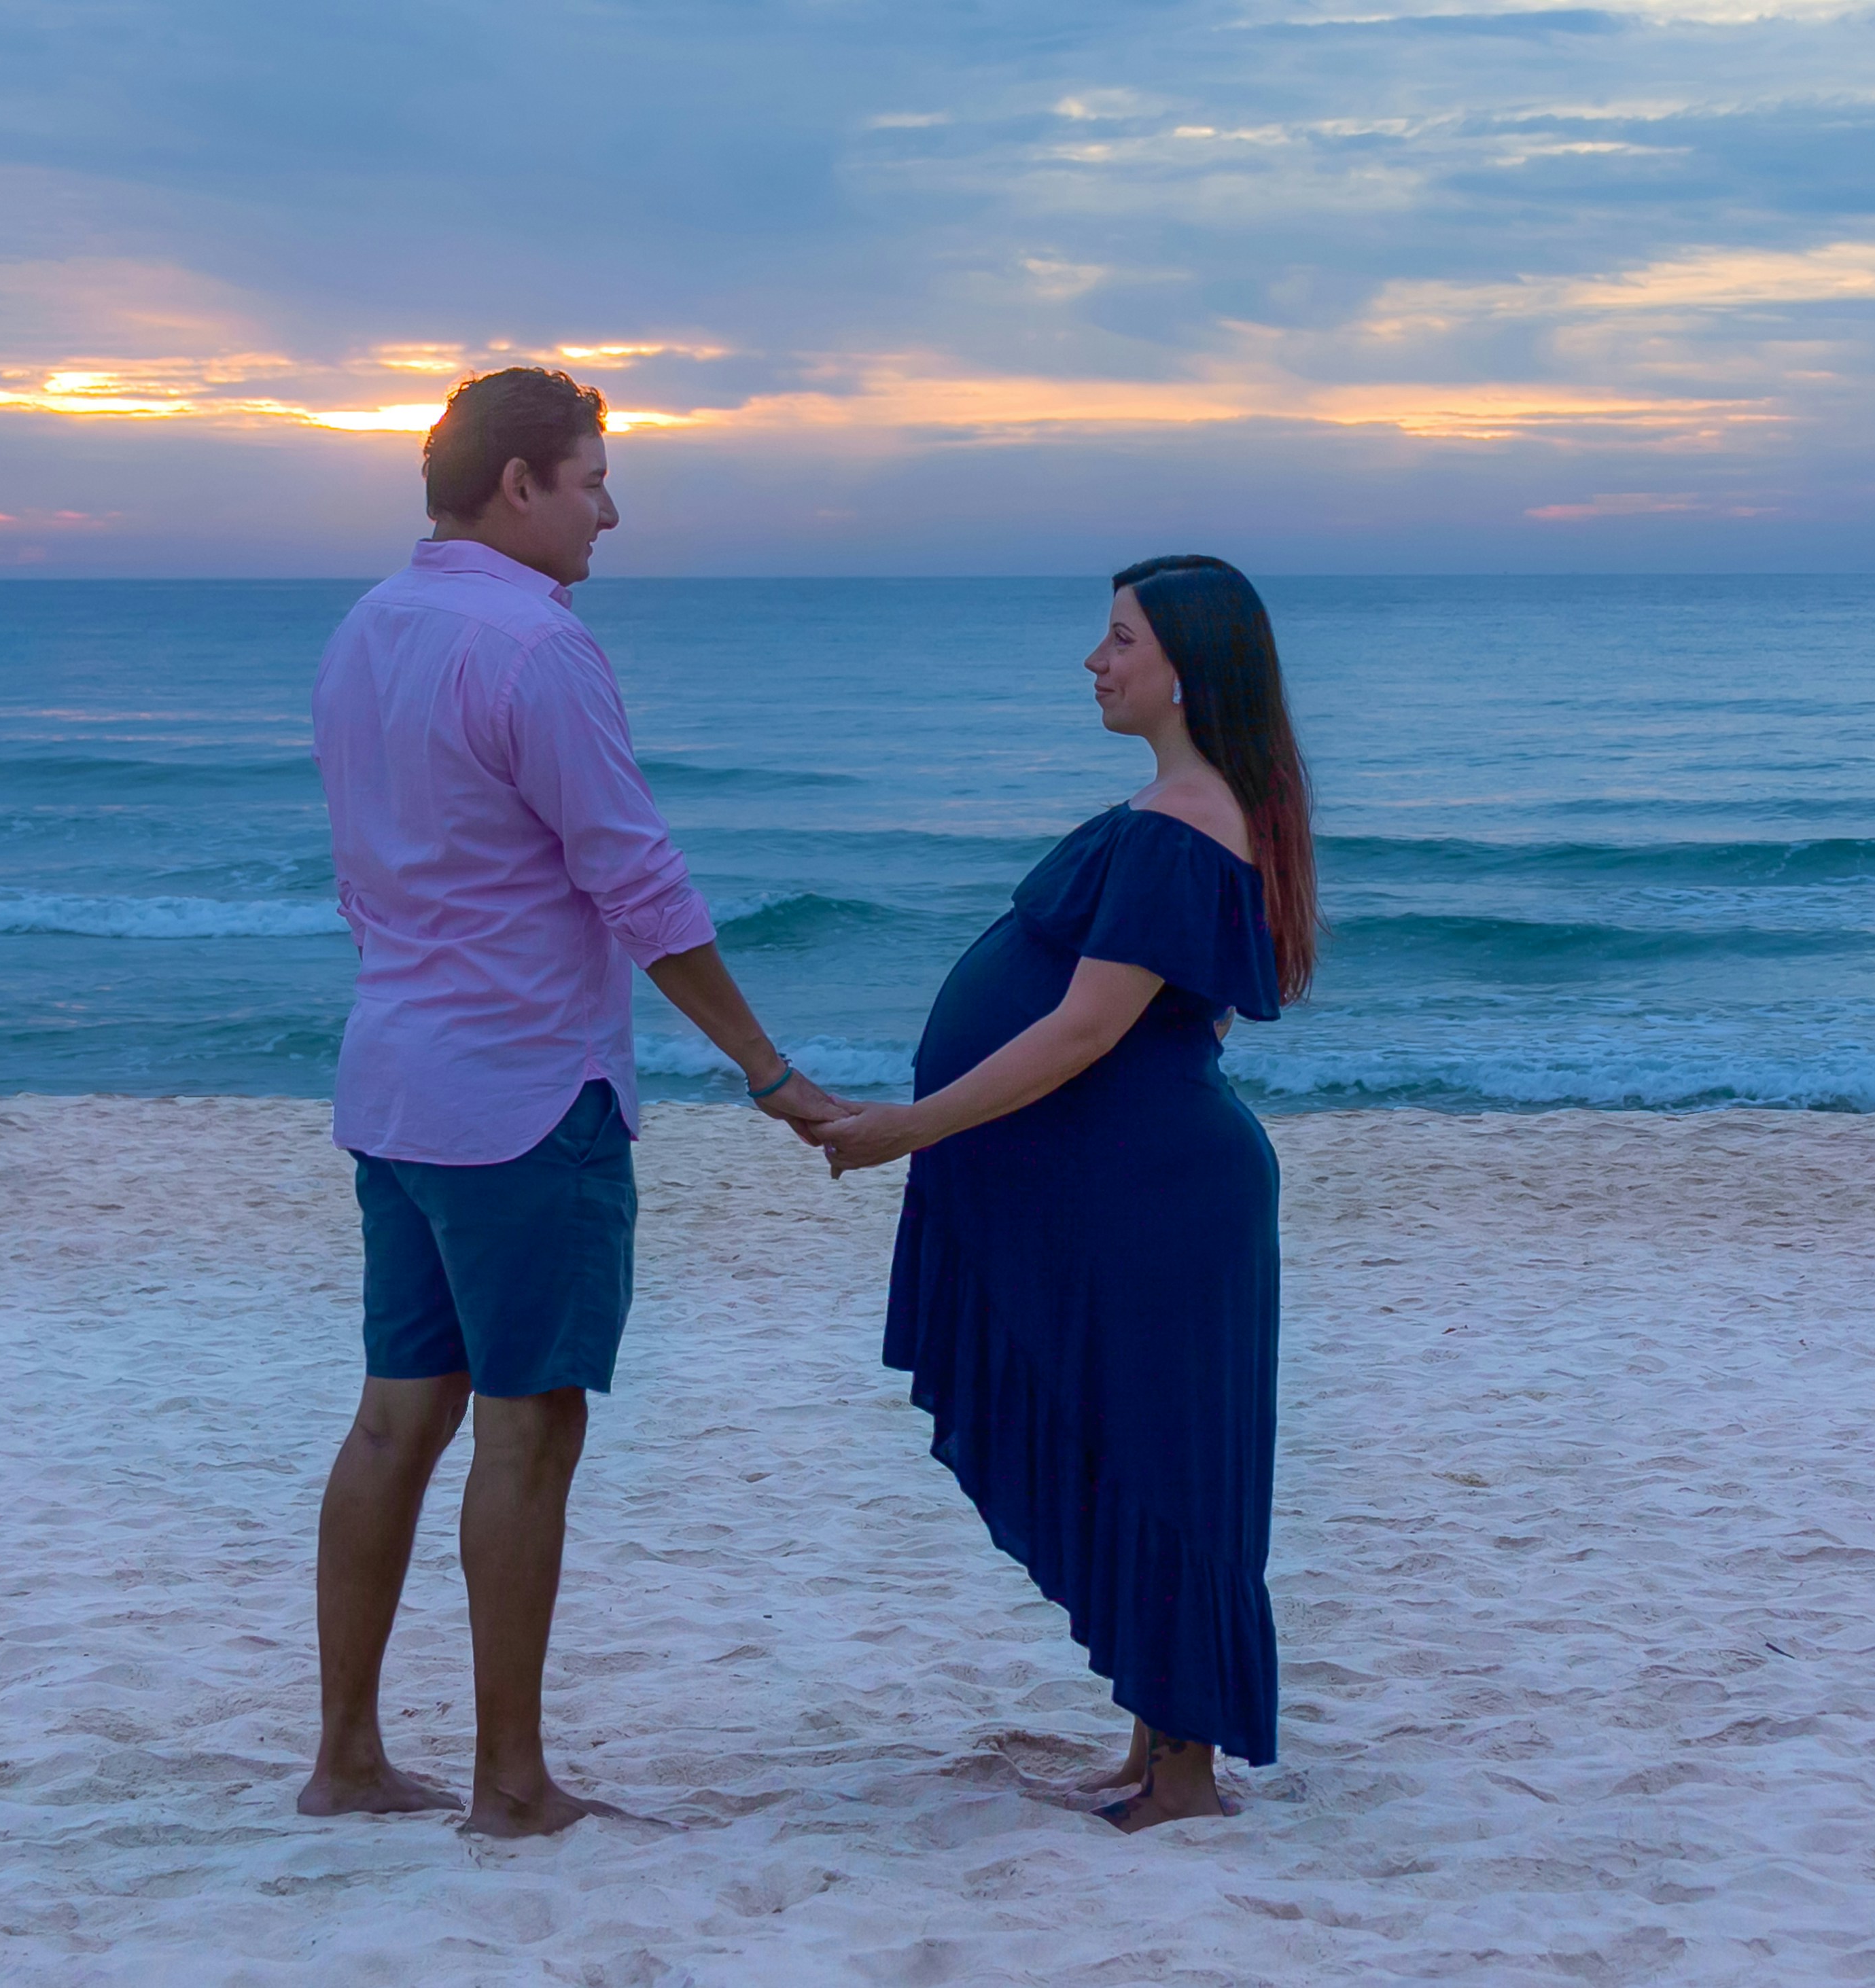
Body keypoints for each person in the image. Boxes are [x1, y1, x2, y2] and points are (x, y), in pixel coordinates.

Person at [300, 366, 842, 1836]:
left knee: (391, 1421)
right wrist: (766, 1066)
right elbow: (637, 878)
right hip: (528, 1094)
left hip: (400, 1079)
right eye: (592, 477)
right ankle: (511, 1782)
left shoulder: (366, 631)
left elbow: (367, 867)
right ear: (518, 483)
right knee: (526, 1429)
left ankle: (345, 1757)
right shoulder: (537, 648)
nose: (612, 507)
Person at [816, 555, 1318, 1832]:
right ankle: (1156, 1746)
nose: (1096, 661)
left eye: (1120, 639)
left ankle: (1187, 1774)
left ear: (1186, 665)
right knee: (1134, 1444)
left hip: (1155, 1191)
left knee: (1167, 1461)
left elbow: (1088, 1029)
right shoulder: (1188, 803)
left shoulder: (1185, 818)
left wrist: (910, 1128)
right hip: (1132, 1183)